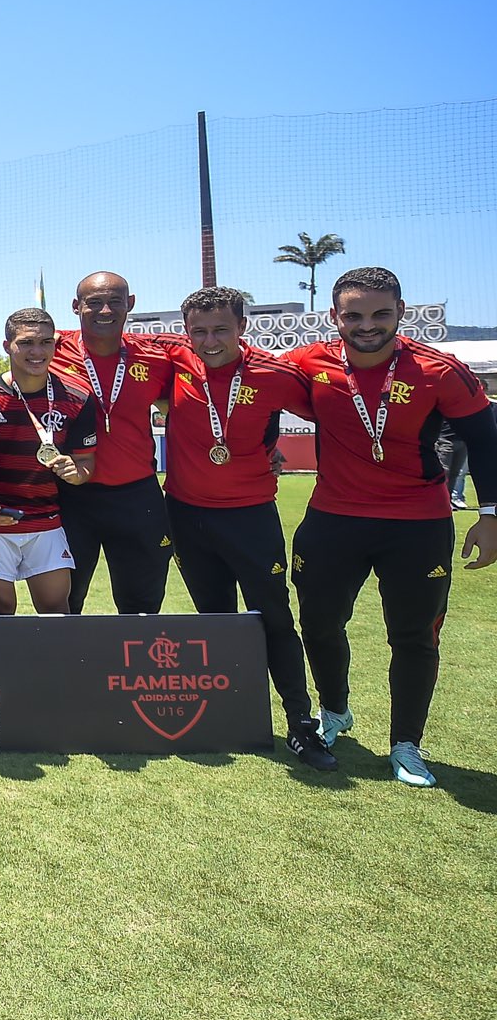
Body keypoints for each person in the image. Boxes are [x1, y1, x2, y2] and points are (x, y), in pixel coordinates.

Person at [286, 266, 496, 787]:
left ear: (400, 312)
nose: (366, 325)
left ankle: (407, 745)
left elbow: (487, 441)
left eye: (380, 313)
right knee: (317, 622)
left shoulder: (440, 370)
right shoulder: (308, 363)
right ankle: (334, 712)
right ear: (334, 316)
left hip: (417, 524)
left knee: (414, 636)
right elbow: (254, 385)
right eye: (353, 314)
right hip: (333, 519)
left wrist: (490, 515)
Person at [159, 288, 333, 770]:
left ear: (242, 326)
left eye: (221, 329)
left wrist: (270, 445)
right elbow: (84, 338)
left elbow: (335, 414)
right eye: (199, 330)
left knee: (273, 619)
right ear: (186, 330)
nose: (209, 340)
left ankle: (301, 726)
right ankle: (228, 718)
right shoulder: (175, 361)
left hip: (251, 516)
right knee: (216, 621)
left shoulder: (275, 374)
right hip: (188, 516)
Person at [50, 272, 184, 614]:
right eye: (94, 302)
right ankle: (63, 667)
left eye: (115, 302)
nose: (105, 310)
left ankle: (138, 668)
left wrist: (265, 444)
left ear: (131, 305)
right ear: (76, 306)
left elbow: (196, 400)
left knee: (141, 605)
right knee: (63, 603)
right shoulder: (51, 349)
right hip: (70, 497)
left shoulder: (156, 358)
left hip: (137, 497)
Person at [0, 309, 96, 617]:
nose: (36, 352)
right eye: (26, 343)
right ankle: (0, 667)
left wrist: (75, 474)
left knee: (55, 611)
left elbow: (86, 462)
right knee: (0, 609)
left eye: (45, 342)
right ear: (7, 344)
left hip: (46, 521)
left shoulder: (77, 395)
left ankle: (56, 667)